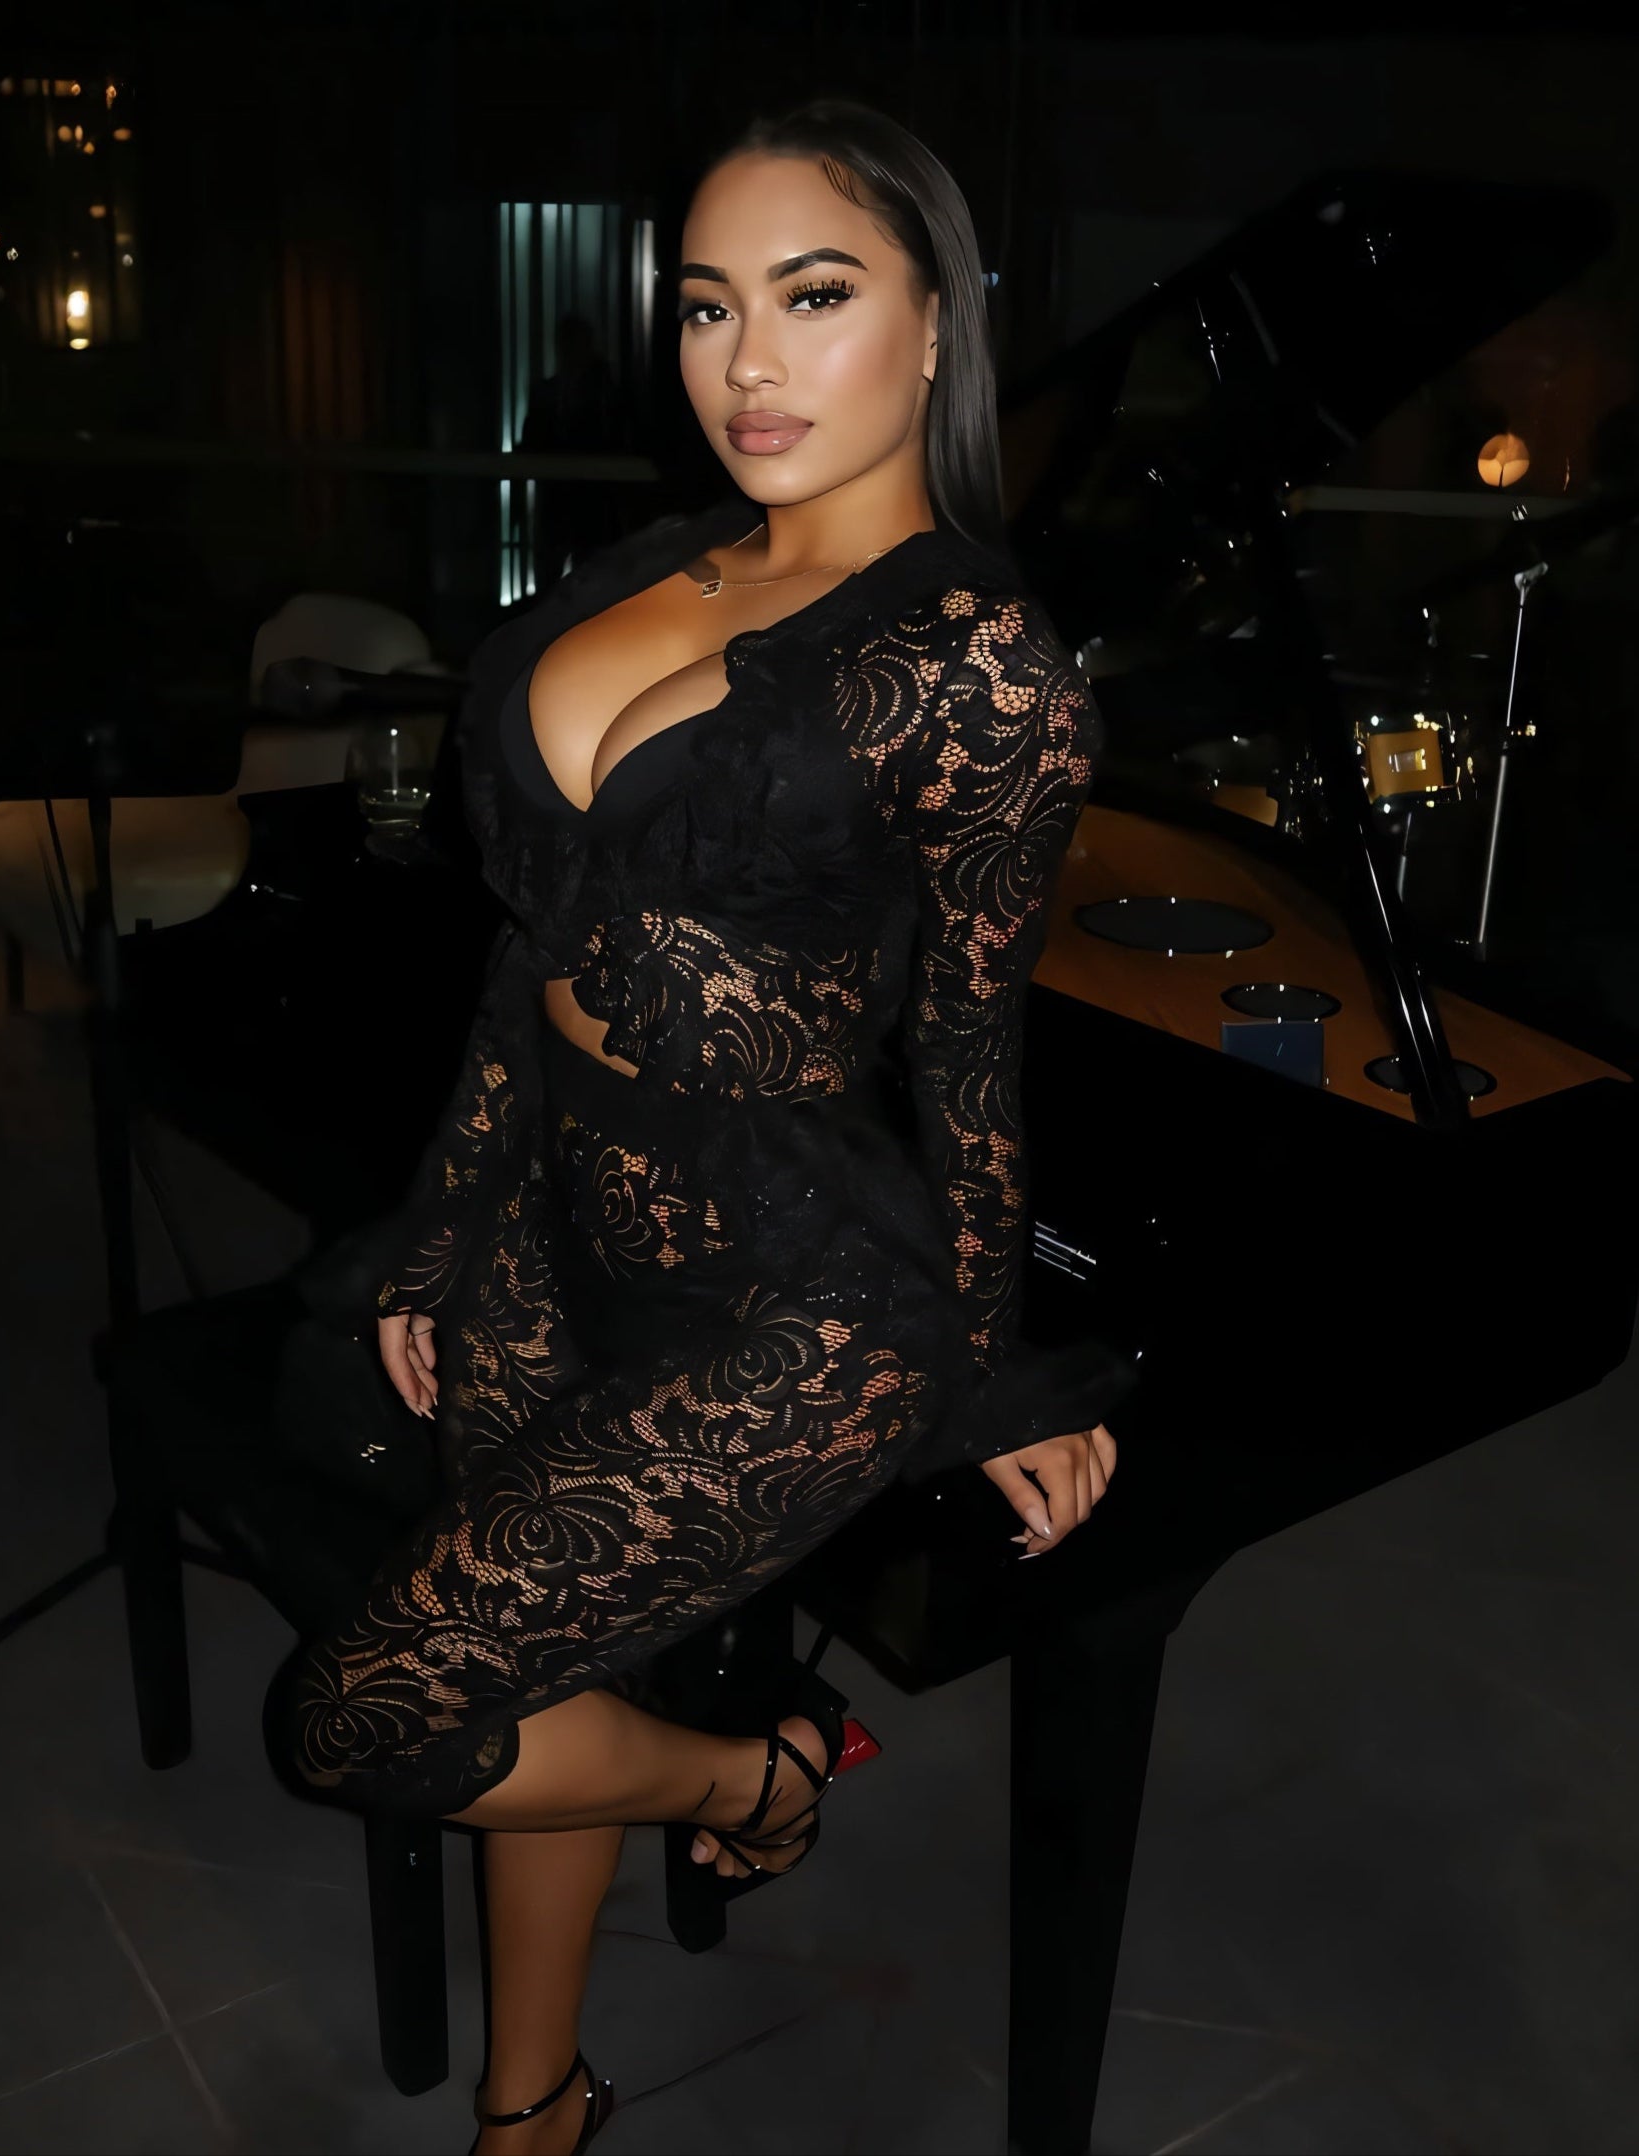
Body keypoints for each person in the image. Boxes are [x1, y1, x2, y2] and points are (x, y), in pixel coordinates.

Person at [270, 95, 1137, 2156]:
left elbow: (972, 1054)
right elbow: (536, 955)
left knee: (360, 1713)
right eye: (705, 304)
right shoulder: (661, 563)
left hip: (792, 1293)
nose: (746, 361)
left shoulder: (983, 668)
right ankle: (535, 2104)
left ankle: (750, 1776)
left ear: (936, 323)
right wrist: (440, 1220)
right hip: (546, 1223)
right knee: (517, 1671)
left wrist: (990, 1371)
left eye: (813, 297)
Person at [518, 313, 628, 593]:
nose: (571, 351)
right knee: (552, 579)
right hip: (560, 502)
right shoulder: (550, 392)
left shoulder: (603, 395)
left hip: (588, 503)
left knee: (586, 580)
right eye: (568, 344)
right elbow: (532, 440)